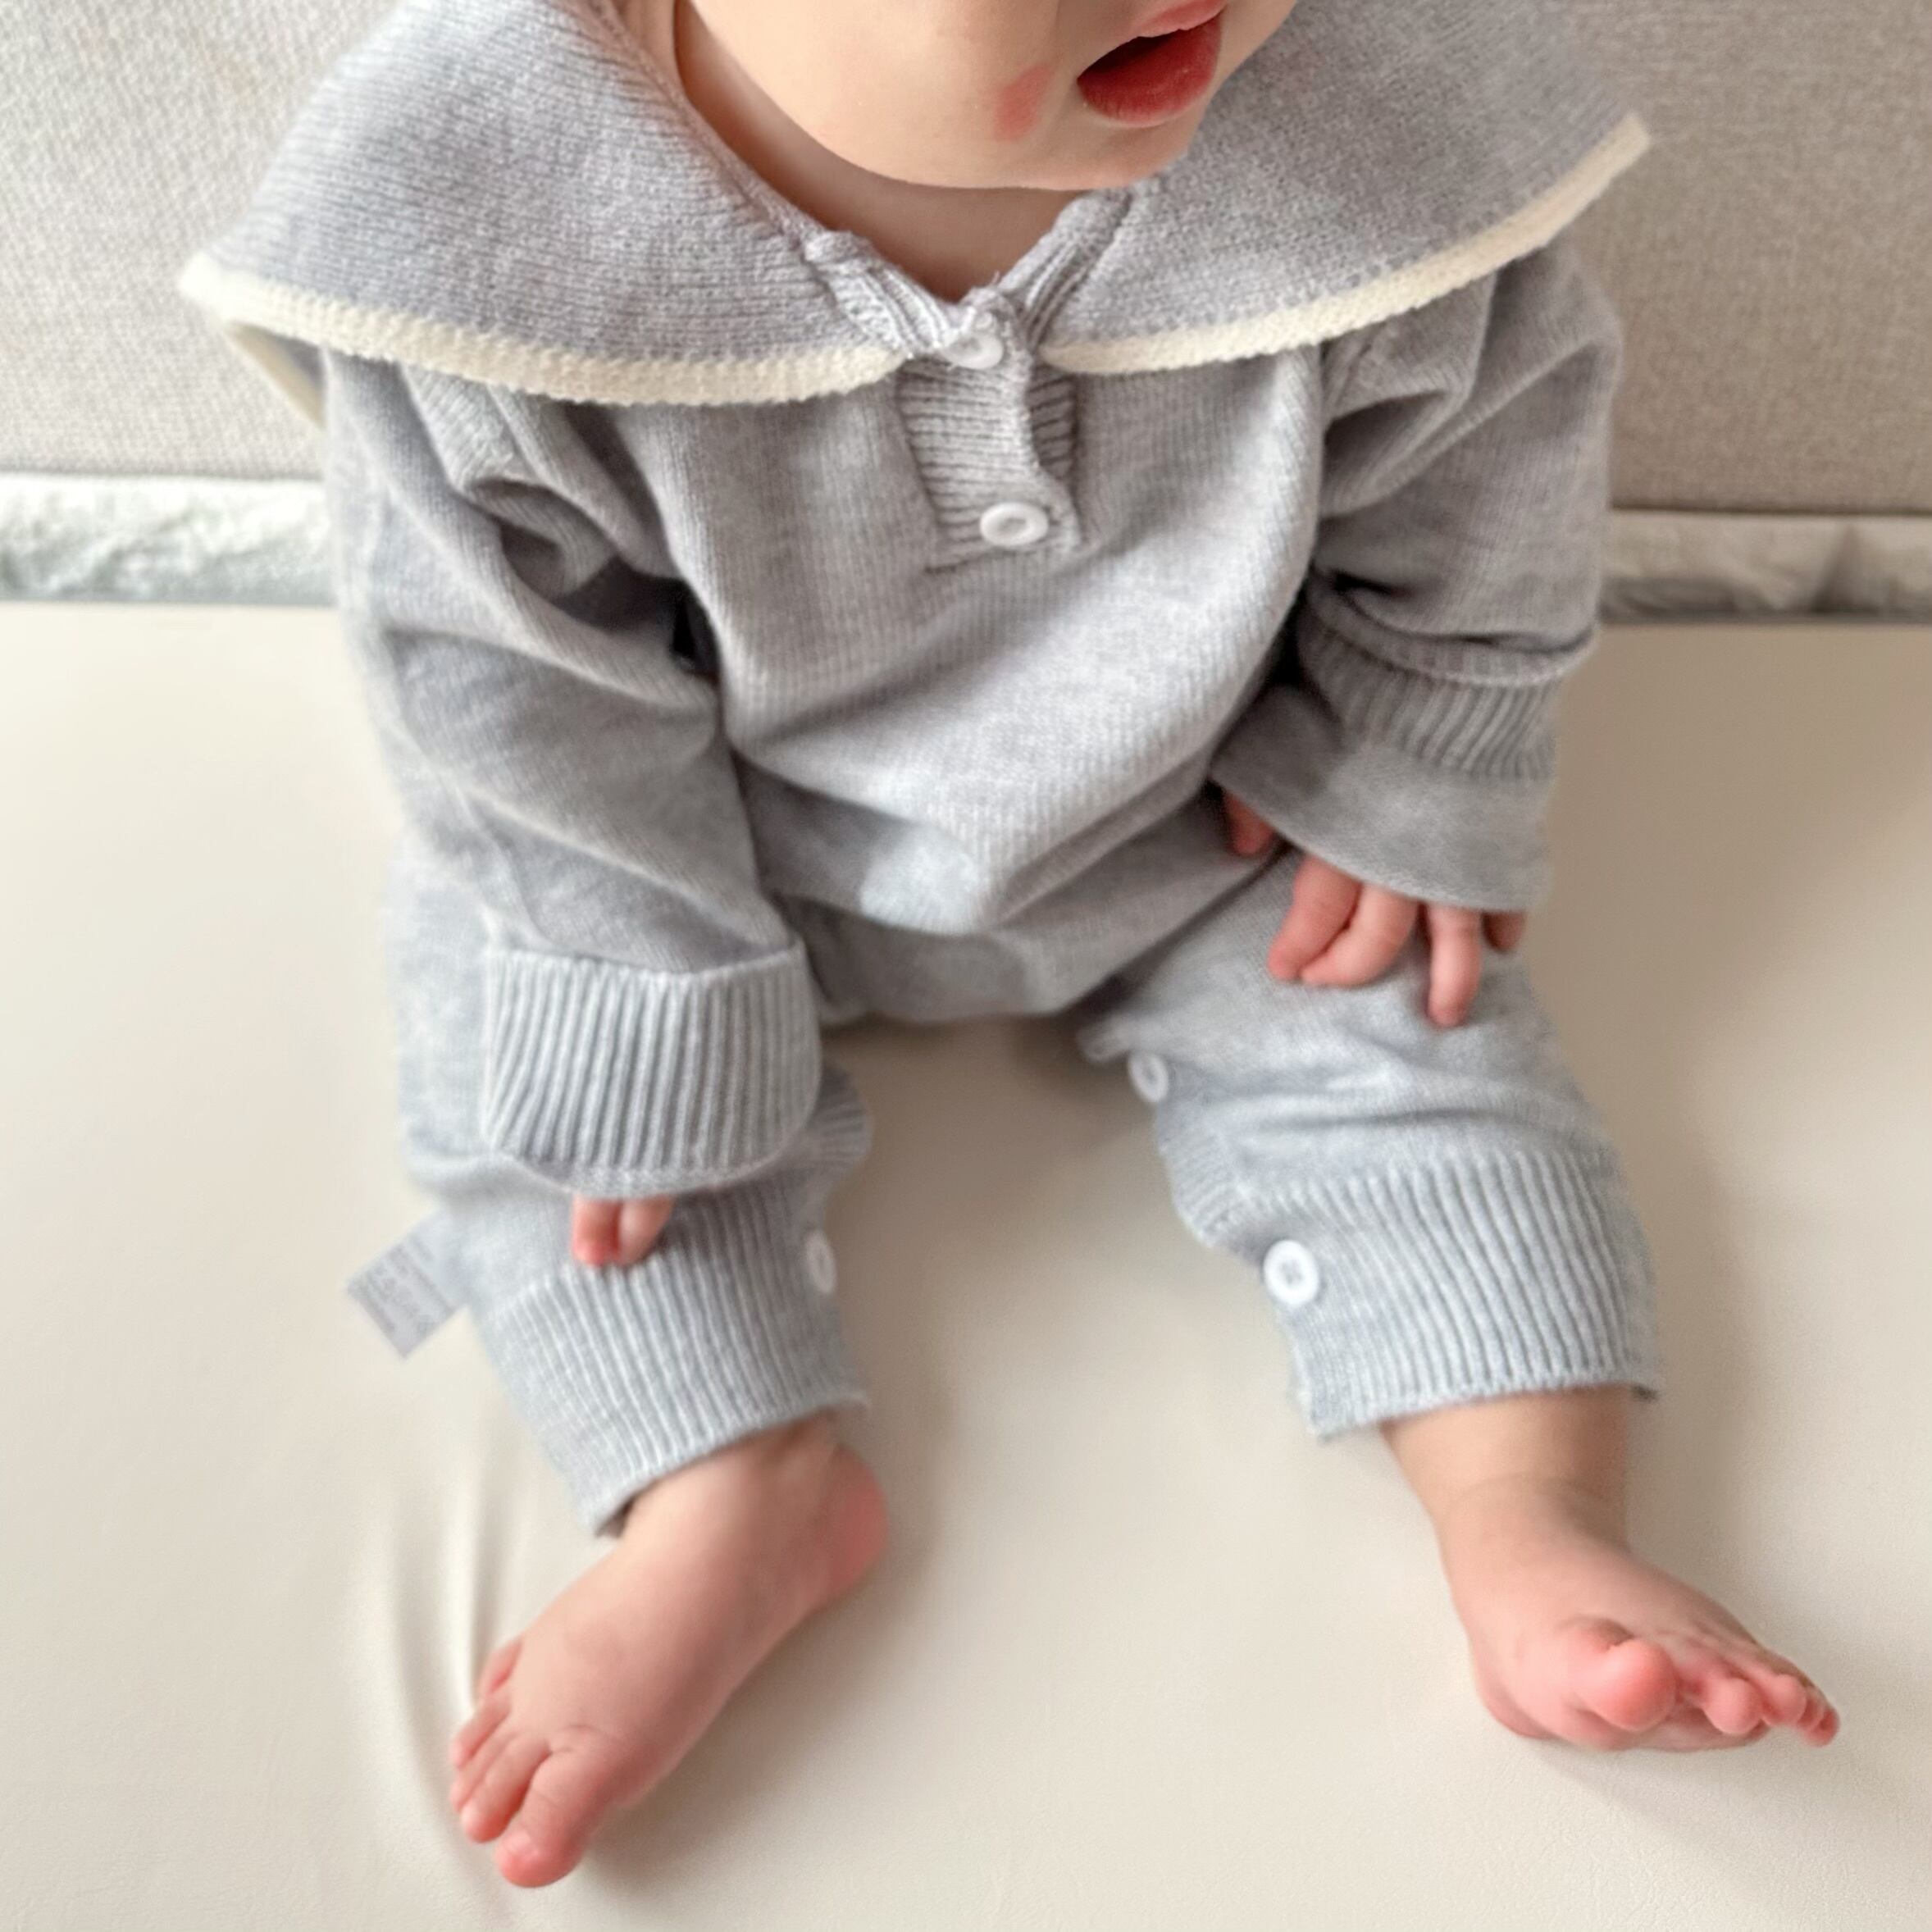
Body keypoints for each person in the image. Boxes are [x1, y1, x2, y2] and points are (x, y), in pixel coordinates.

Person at [179, 0, 1838, 1890]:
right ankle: (730, 1480)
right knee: (542, 1080)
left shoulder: (1375, 127)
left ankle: (1526, 1501)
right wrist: (640, 981)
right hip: (713, 852)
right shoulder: (487, 226)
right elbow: (503, 694)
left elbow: (1488, 463)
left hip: (1211, 813)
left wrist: (1404, 759)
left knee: (1416, 1030)